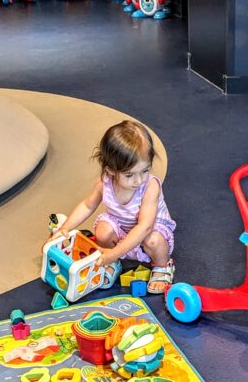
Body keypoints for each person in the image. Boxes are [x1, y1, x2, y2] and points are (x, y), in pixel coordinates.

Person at [53, 120, 176, 294]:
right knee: (102, 231)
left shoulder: (150, 186)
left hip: (148, 231)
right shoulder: (105, 183)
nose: (139, 180)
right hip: (122, 230)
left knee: (154, 241)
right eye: (129, 175)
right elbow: (87, 205)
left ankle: (162, 266)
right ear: (111, 170)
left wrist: (116, 251)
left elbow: (145, 226)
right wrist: (65, 228)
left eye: (145, 170)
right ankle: (112, 263)